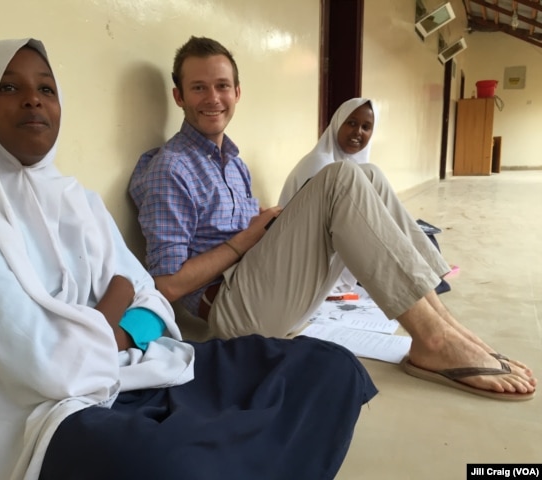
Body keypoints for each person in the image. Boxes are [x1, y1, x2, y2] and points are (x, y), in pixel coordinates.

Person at [0, 38, 378, 480]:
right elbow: (50, 367)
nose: (33, 101)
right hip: (59, 412)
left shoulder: (78, 201)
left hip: (146, 365)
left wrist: (121, 326)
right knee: (166, 465)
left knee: (330, 366)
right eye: (9, 87)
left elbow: (148, 299)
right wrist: (115, 318)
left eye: (46, 88)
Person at [129, 36, 536, 401]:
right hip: (233, 311)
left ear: (237, 92)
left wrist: (271, 229)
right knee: (341, 176)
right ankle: (433, 338)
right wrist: (247, 238)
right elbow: (166, 284)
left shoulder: (234, 162)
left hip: (260, 286)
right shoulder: (172, 168)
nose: (212, 98)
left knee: (366, 174)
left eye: (221, 86)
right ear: (179, 96)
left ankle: (448, 326)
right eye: (198, 87)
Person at [279, 97, 378, 296]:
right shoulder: (321, 163)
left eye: (366, 127)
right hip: (300, 259)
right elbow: (315, 230)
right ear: (337, 124)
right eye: (351, 123)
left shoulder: (353, 165)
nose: (358, 132)